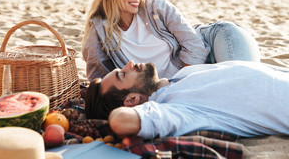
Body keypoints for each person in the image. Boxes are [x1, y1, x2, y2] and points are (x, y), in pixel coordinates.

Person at [82, 0, 260, 82]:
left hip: (219, 41)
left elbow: (196, 46)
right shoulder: (99, 30)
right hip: (195, 78)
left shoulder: (155, 6)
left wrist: (174, 85)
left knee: (244, 85)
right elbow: (100, 79)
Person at [84, 60, 289, 140]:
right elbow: (121, 120)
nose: (129, 64)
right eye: (123, 74)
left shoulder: (180, 77)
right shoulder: (175, 109)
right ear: (131, 100)